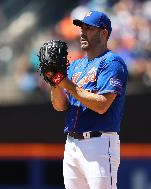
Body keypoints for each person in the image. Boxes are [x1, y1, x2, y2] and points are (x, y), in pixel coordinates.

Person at [46, 11, 128, 189]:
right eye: (82, 28)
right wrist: (54, 81)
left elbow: (102, 105)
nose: (82, 32)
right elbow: (60, 106)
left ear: (103, 33)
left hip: (99, 144)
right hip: (72, 144)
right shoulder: (76, 65)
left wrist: (66, 83)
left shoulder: (112, 63)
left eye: (89, 28)